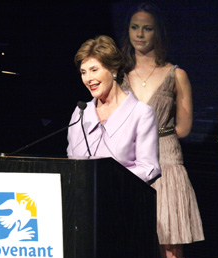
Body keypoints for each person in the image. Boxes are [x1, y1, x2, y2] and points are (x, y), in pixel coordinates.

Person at [120, 3, 204, 258]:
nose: (140, 34)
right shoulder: (119, 75)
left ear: (159, 32)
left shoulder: (175, 74)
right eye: (134, 27)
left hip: (166, 161)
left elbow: (184, 127)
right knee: (133, 247)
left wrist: (157, 131)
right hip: (128, 163)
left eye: (147, 27)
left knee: (171, 247)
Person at [67, 35, 161, 184]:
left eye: (94, 70)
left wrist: (110, 178)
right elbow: (71, 164)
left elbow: (149, 167)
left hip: (121, 199)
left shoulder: (141, 114)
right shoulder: (81, 113)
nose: (88, 78)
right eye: (83, 72)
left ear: (113, 69)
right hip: (81, 201)